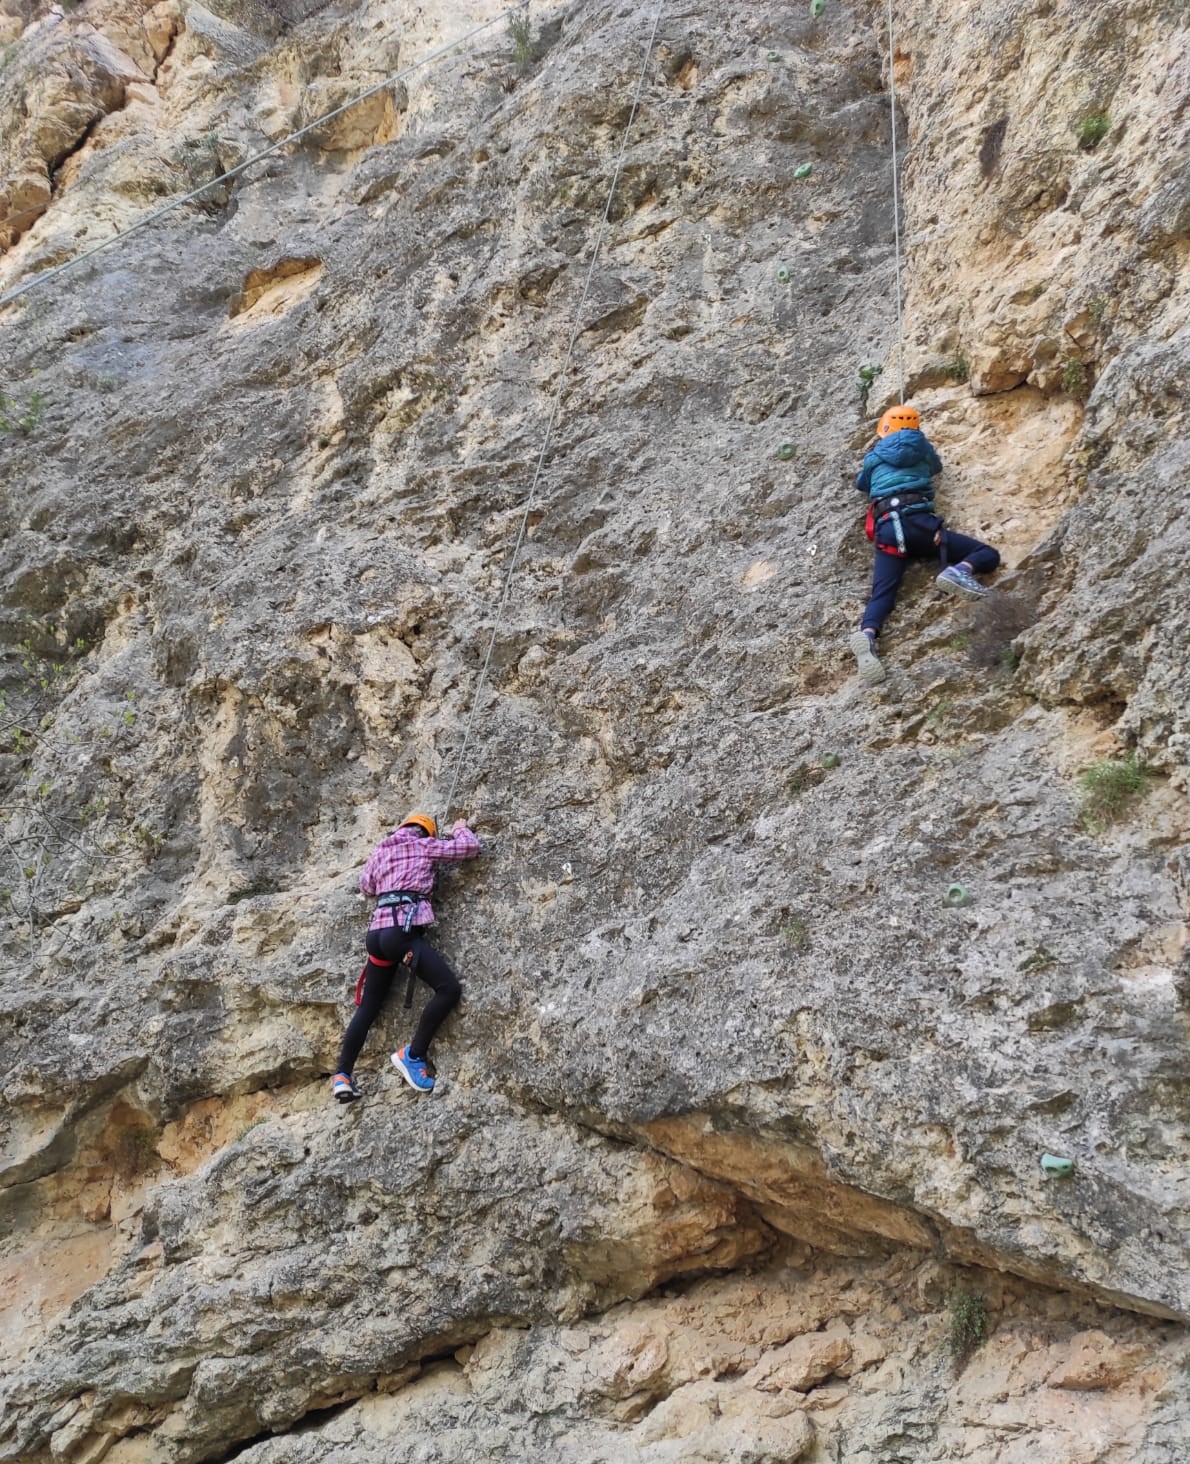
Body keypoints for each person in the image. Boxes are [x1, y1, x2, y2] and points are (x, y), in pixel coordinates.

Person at [331, 812, 479, 1102]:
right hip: (402, 933)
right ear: (426, 833)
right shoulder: (423, 845)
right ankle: (413, 1055)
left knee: (369, 1007)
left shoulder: (381, 851)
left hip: (377, 935)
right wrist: (460, 829)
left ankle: (342, 1076)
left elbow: (366, 886)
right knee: (448, 989)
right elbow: (468, 849)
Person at [850, 404, 1000, 685]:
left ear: (883, 429)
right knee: (987, 553)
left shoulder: (875, 456)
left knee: (883, 593)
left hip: (889, 531)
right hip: (921, 525)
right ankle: (960, 570)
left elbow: (862, 484)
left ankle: (868, 634)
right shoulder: (924, 448)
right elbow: (936, 467)